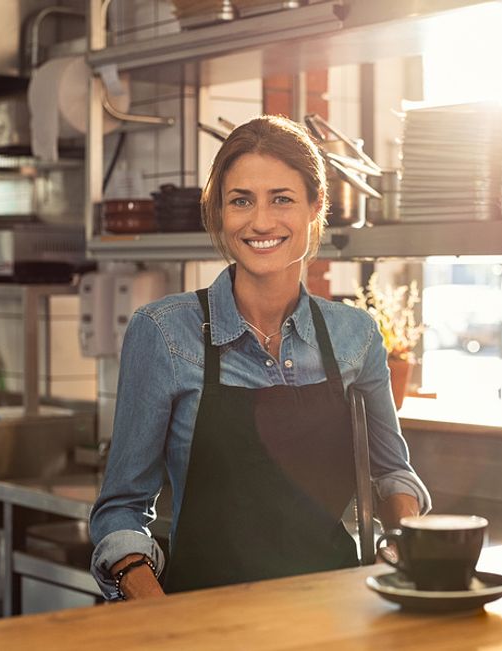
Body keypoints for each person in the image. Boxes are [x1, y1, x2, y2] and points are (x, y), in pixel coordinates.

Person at [89, 115, 431, 600]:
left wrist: (401, 544)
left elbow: (394, 473)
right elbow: (120, 507)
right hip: (205, 621)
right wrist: (153, 607)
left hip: (333, 617)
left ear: (315, 207)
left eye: (282, 199)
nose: (262, 221)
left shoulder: (355, 335)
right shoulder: (164, 333)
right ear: (219, 213)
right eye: (241, 201)